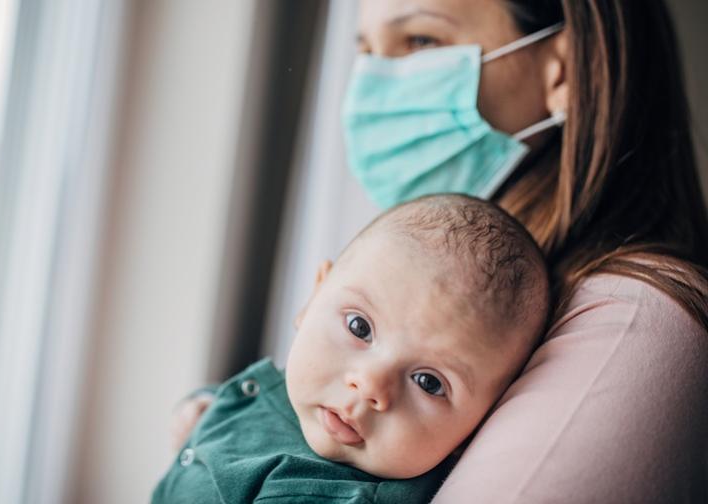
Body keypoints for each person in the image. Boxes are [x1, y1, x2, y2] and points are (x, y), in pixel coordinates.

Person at [340, 1, 707, 502]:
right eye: (366, 50)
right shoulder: (409, 276)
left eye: (422, 42)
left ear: (564, 71)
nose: (372, 89)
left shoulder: (632, 317)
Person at [155, 194, 550, 503]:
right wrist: (204, 411)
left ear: (475, 430)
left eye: (428, 382)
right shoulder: (292, 395)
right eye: (359, 327)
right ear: (314, 298)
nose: (369, 384)